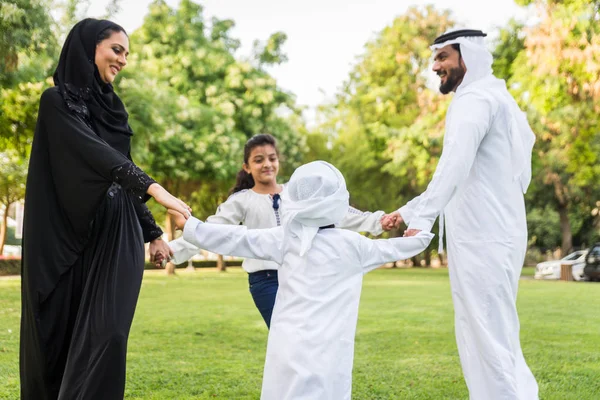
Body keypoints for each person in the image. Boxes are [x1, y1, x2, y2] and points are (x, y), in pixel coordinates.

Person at [19, 18, 191, 400]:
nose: (124, 60)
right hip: (68, 235)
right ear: (87, 48)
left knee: (109, 334)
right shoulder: (56, 102)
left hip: (116, 232)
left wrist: (152, 232)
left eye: (127, 53)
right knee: (57, 340)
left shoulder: (114, 110)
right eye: (117, 49)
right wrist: (157, 189)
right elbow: (93, 154)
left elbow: (119, 171)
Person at [169, 161, 433, 400]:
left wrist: (191, 226)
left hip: (289, 343)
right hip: (332, 348)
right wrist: (418, 235)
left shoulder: (285, 238)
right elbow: (397, 248)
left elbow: (237, 239)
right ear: (338, 200)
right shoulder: (355, 246)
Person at [384, 29, 538, 399]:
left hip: (485, 236)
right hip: (492, 233)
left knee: (488, 335)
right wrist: (408, 211)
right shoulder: (493, 95)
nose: (435, 66)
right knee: (490, 331)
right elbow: (461, 175)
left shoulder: (476, 100)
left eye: (443, 57)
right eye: (434, 58)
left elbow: (454, 165)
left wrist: (422, 219)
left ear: (467, 56)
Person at [169, 133, 395, 327]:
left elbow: (338, 211)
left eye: (272, 158)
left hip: (301, 274)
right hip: (265, 281)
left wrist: (377, 221)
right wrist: (171, 251)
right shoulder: (241, 200)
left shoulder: (295, 193)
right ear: (247, 167)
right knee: (287, 337)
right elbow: (212, 230)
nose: (267, 164)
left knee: (309, 335)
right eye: (258, 160)